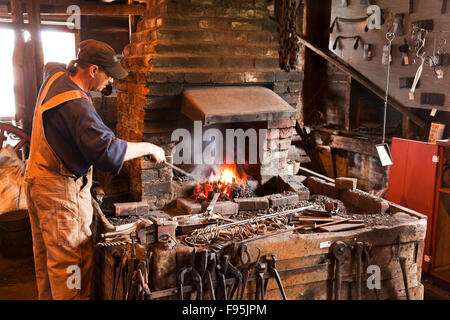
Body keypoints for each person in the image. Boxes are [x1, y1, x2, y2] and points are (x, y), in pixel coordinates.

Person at [24, 39, 165, 300]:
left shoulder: (55, 76)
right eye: (108, 75)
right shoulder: (77, 105)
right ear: (92, 71)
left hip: (36, 184)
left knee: (49, 266)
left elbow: (51, 65)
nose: (110, 82)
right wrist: (148, 147)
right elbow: (108, 153)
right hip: (60, 196)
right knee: (71, 270)